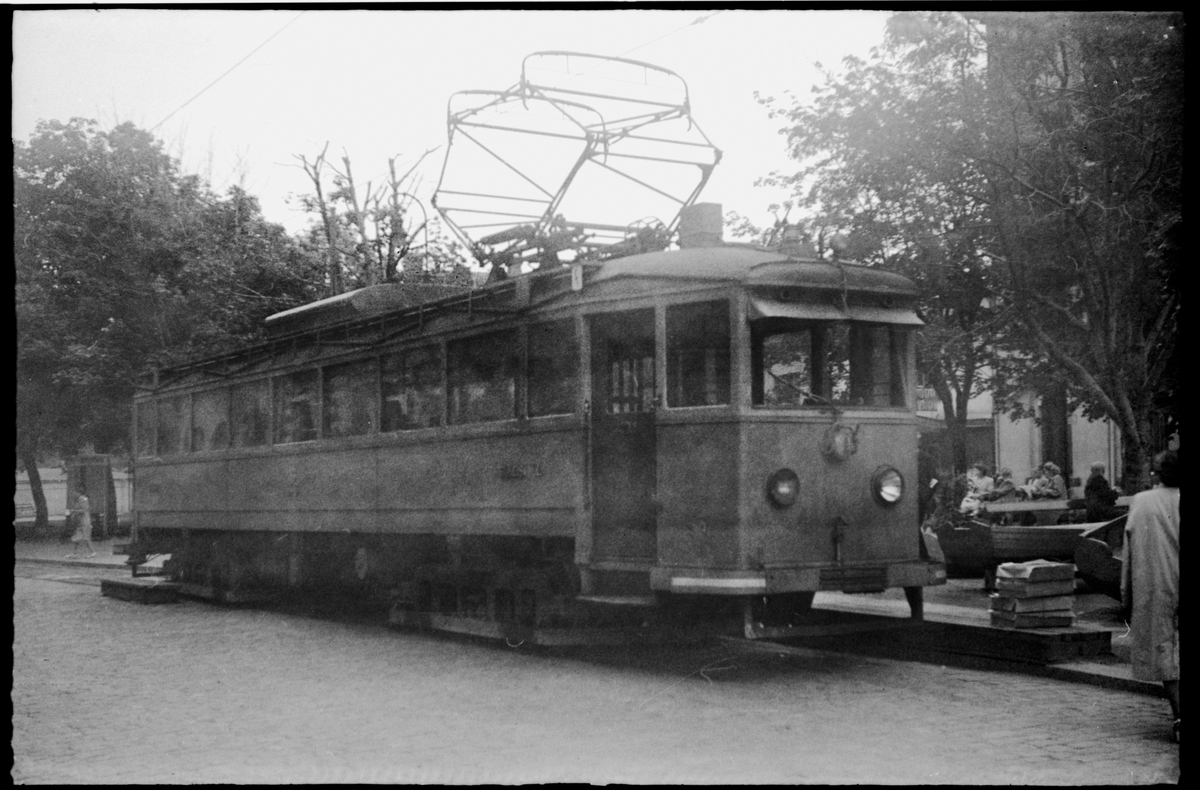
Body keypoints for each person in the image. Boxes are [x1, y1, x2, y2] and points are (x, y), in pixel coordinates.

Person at [1121, 450, 1180, 744]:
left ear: (1157, 474)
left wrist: (1126, 594)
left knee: (1164, 649)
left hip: (1158, 584)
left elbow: (1130, 551)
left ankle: (1180, 715)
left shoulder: (1143, 502)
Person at [66, 487, 97, 559]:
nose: (73, 494)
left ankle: (93, 552)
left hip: (84, 521)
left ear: (78, 493)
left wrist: (73, 511)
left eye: (74, 492)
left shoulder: (81, 499)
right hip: (81, 522)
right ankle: (74, 553)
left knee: (86, 538)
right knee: (77, 537)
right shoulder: (83, 499)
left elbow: (84, 510)